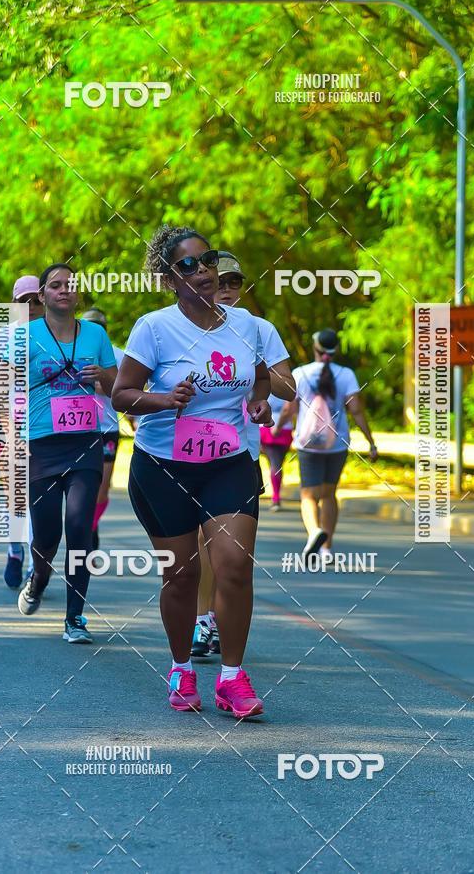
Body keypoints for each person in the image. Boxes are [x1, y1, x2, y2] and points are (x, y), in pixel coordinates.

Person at [112, 226, 273, 718]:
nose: (202, 271)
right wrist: (165, 399)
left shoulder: (246, 325)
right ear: (168, 277)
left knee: (234, 565)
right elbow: (122, 394)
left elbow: (260, 374)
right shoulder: (153, 328)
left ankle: (231, 678)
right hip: (164, 466)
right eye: (188, 265)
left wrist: (261, 399)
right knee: (182, 576)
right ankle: (181, 667)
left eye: (208, 261)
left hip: (229, 463)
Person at [0, 264, 118, 642]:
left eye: (70, 285)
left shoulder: (95, 335)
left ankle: (75, 617)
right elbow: (2, 389)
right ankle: (38, 579)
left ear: (78, 294)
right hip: (38, 444)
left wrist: (100, 378)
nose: (64, 290)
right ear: (42, 296)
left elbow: (114, 388)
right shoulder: (20, 335)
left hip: (84, 442)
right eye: (55, 286)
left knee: (80, 527)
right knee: (47, 537)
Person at [192, 251, 296, 658]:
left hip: (240, 452)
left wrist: (263, 378)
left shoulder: (258, 329)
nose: (227, 290)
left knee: (228, 547)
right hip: (188, 452)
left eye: (235, 283)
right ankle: (203, 621)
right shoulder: (182, 328)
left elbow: (289, 386)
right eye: (221, 283)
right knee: (200, 540)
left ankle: (215, 619)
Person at [275, 329, 377, 560]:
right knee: (329, 494)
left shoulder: (300, 373)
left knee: (309, 495)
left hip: (308, 443)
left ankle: (314, 532)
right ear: (336, 349)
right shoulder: (347, 375)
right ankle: (326, 549)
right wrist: (371, 442)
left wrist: (277, 427)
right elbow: (357, 411)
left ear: (315, 348)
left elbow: (289, 408)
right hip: (337, 444)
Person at [0, 275, 45, 588]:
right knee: (15, 493)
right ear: (14, 305)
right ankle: (15, 550)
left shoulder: (57, 335)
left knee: (40, 497)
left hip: (48, 427)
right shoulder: (2, 334)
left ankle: (35, 562)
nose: (30, 307)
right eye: (24, 302)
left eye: (36, 300)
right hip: (11, 422)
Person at [81, 308, 124, 551]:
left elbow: (132, 387)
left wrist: (109, 385)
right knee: (79, 488)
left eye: (99, 326)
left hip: (106, 428)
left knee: (101, 489)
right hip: (77, 429)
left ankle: (91, 527)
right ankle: (84, 534)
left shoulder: (118, 356)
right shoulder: (72, 352)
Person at [260, 393, 294, 511]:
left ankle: (276, 498)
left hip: (268, 427)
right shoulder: (289, 382)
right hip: (283, 428)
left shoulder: (262, 380)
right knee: (276, 464)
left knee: (274, 464)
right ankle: (276, 497)